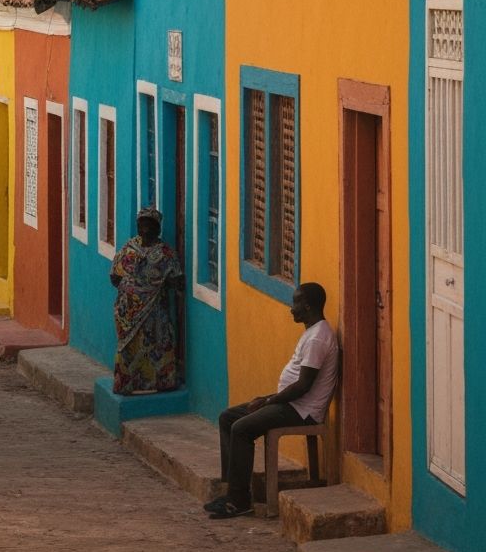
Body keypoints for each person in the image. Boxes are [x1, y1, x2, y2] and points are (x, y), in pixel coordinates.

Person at [207, 282, 339, 520]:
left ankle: (239, 501)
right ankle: (231, 491)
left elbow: (303, 385)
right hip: (288, 404)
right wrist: (269, 399)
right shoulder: (312, 332)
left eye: (296, 302)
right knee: (228, 417)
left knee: (242, 428)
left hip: (302, 411)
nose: (292, 308)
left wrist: (269, 401)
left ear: (307, 306)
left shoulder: (318, 338)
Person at [109, 207, 184, 395]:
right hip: (128, 312)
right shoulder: (128, 248)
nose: (146, 229)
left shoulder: (166, 253)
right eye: (142, 224)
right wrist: (131, 296)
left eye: (150, 225)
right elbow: (114, 276)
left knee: (157, 343)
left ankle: (162, 382)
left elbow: (177, 280)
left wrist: (151, 289)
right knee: (128, 347)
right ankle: (126, 384)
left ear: (158, 228)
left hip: (154, 309)